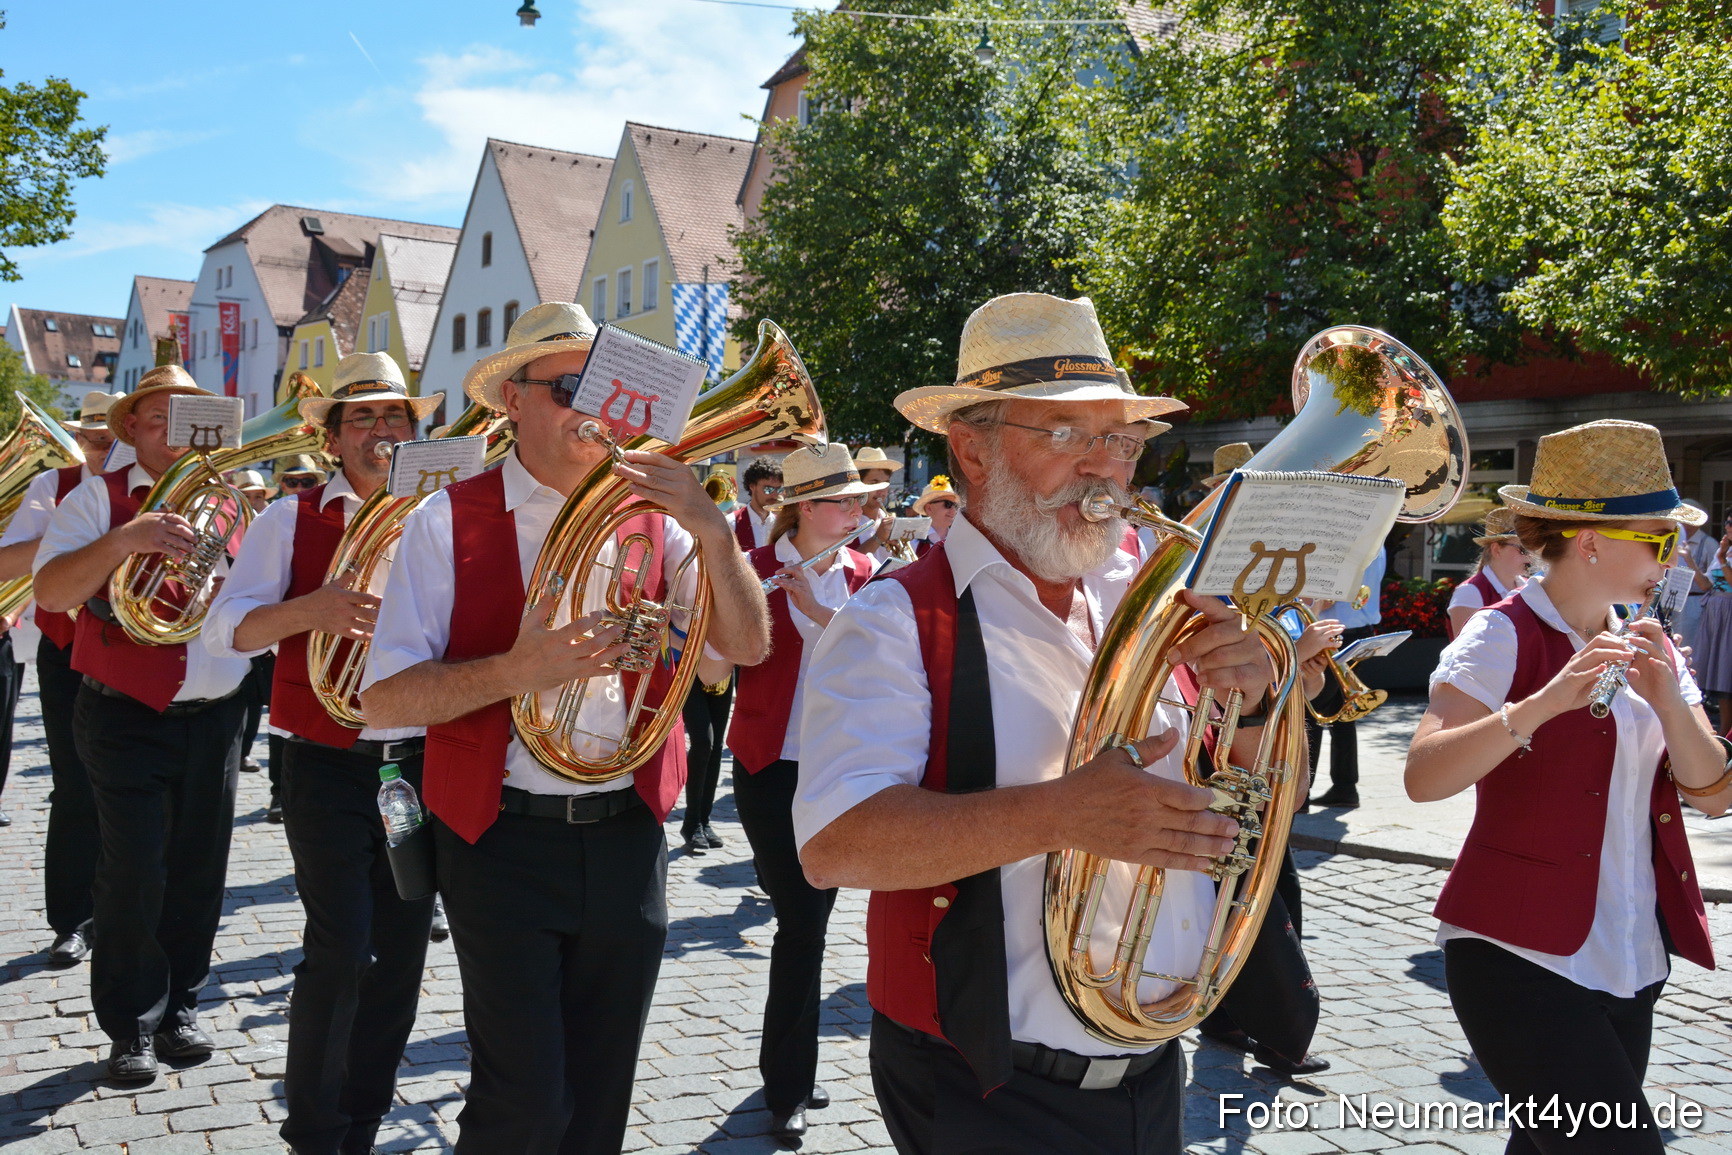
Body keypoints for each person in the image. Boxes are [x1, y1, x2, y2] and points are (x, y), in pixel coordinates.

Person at [794, 292, 1263, 1155]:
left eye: (1119, 440)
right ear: (971, 448)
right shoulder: (891, 620)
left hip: (1155, 1057)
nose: (1103, 468)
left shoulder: (1150, 597)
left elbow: (1249, 792)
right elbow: (834, 843)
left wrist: (1258, 709)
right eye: (1064, 434)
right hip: (985, 1082)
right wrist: (1061, 813)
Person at [358, 302, 771, 1154]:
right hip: (498, 838)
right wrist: (517, 671)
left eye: (613, 387)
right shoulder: (444, 519)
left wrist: (712, 529)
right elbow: (384, 699)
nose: (602, 407)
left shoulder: (659, 512)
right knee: (524, 1104)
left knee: (600, 1099)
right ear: (512, 398)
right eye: (572, 386)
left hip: (628, 835)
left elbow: (746, 648)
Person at [1406, 419, 1727, 1155]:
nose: (1672, 559)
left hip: (1633, 954)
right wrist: (1541, 704)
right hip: (1515, 955)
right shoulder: (1501, 634)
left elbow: (1712, 795)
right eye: (1660, 539)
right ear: (1591, 540)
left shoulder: (1653, 641)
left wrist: (1673, 701)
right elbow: (1424, 776)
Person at [205, 352, 440, 1155]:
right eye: (363, 418)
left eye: (396, 417)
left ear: (417, 430)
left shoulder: (441, 516)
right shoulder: (289, 519)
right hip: (325, 763)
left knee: (403, 950)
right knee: (341, 946)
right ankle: (313, 1129)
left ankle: (364, 1119)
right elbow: (227, 630)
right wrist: (313, 609)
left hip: (415, 763)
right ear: (332, 439)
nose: (382, 431)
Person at [33, 365, 253, 1082]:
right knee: (132, 870)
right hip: (125, 714)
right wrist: (127, 541)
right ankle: (130, 1023)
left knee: (199, 868)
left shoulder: (231, 503)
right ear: (130, 428)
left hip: (216, 716)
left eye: (192, 419)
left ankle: (182, 1003)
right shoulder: (99, 497)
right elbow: (53, 589)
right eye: (160, 418)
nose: (178, 432)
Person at [714, 443, 879, 1142]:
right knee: (800, 924)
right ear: (805, 506)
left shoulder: (869, 573)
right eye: (843, 500)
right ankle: (787, 1086)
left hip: (836, 772)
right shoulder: (753, 568)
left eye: (858, 499)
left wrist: (816, 609)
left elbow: (872, 665)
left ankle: (792, 1076)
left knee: (806, 927)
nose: (858, 510)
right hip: (768, 765)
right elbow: (721, 665)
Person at [0, 389, 117, 954]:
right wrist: (70, 538)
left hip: (130, 651)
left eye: (113, 437)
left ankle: (122, 911)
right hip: (67, 651)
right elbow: (4, 562)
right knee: (75, 786)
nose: (103, 448)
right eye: (93, 439)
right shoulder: (54, 486)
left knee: (134, 787)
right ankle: (71, 920)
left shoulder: (151, 490)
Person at [1307, 547, 1387, 810]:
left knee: (1311, 711)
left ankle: (1300, 793)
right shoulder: (1377, 541)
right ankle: (1344, 786)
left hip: (1332, 633)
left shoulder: (1345, 541)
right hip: (1358, 631)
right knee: (1344, 712)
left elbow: (1325, 599)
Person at [1446, 506, 1531, 638]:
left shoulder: (1529, 587)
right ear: (1496, 550)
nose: (1529, 556)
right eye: (1522, 549)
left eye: (1531, 549)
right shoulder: (1469, 592)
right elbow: (1466, 654)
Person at [851, 446, 902, 559]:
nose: (882, 491)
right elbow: (848, 564)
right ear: (859, 484)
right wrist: (878, 538)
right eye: (874, 483)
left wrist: (898, 550)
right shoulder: (848, 521)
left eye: (885, 483)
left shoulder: (886, 518)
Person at [732, 457, 783, 550]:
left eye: (779, 489)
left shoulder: (780, 525)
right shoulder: (732, 523)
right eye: (768, 489)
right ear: (752, 486)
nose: (775, 494)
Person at [909, 474, 958, 555]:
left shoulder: (958, 539)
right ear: (929, 508)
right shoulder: (912, 541)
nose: (953, 510)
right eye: (948, 504)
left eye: (955, 505)